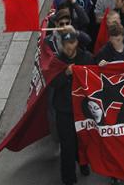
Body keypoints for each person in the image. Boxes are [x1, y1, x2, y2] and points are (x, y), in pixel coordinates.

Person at [50, 30, 93, 185]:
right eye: (67, 43)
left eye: (72, 43)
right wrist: (66, 74)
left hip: (82, 110)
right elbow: (53, 83)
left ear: (77, 43)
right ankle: (68, 178)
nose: (70, 47)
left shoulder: (86, 58)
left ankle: (83, 163)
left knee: (82, 141)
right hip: (64, 110)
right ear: (63, 44)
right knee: (67, 145)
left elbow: (95, 78)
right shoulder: (57, 61)